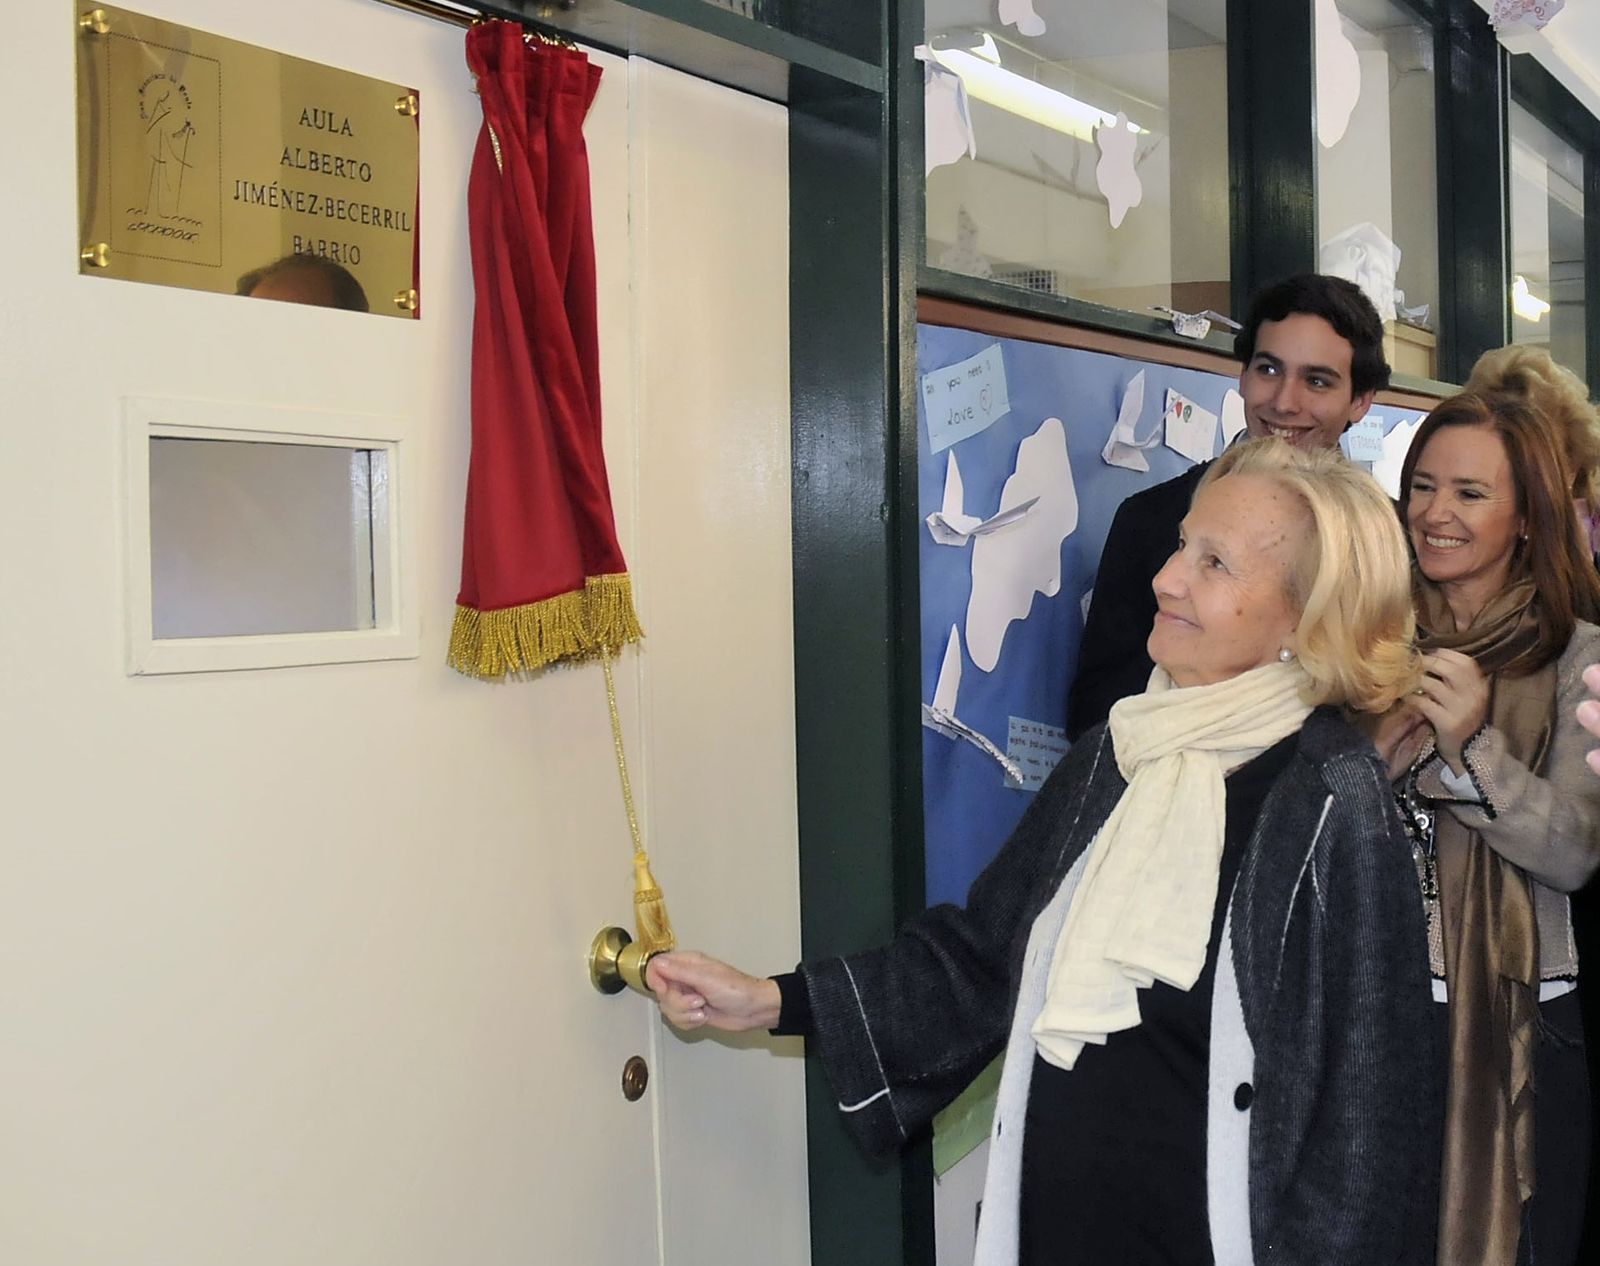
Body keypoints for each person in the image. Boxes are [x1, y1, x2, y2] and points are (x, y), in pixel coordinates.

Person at [650, 439, 1442, 1265]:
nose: (1166, 579)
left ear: (1306, 620)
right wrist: (772, 1000)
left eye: (1215, 564)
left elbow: (1369, 1125)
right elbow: (982, 959)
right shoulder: (1116, 755)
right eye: (1182, 545)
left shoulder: (1331, 800)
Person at [1373, 390, 1600, 1266]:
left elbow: (1574, 851)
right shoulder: (1371, 639)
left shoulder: (1579, 655)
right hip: (1376, 1011)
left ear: (1527, 517)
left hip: (1527, 1023)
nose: (1436, 513)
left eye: (1469, 493)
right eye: (1423, 487)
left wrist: (1472, 750)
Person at [1067, 273, 1389, 740]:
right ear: (1242, 375)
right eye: (1269, 370)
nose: (1284, 402)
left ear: (1360, 401)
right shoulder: (1150, 520)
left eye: (1317, 381)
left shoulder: (1385, 544)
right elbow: (1094, 714)